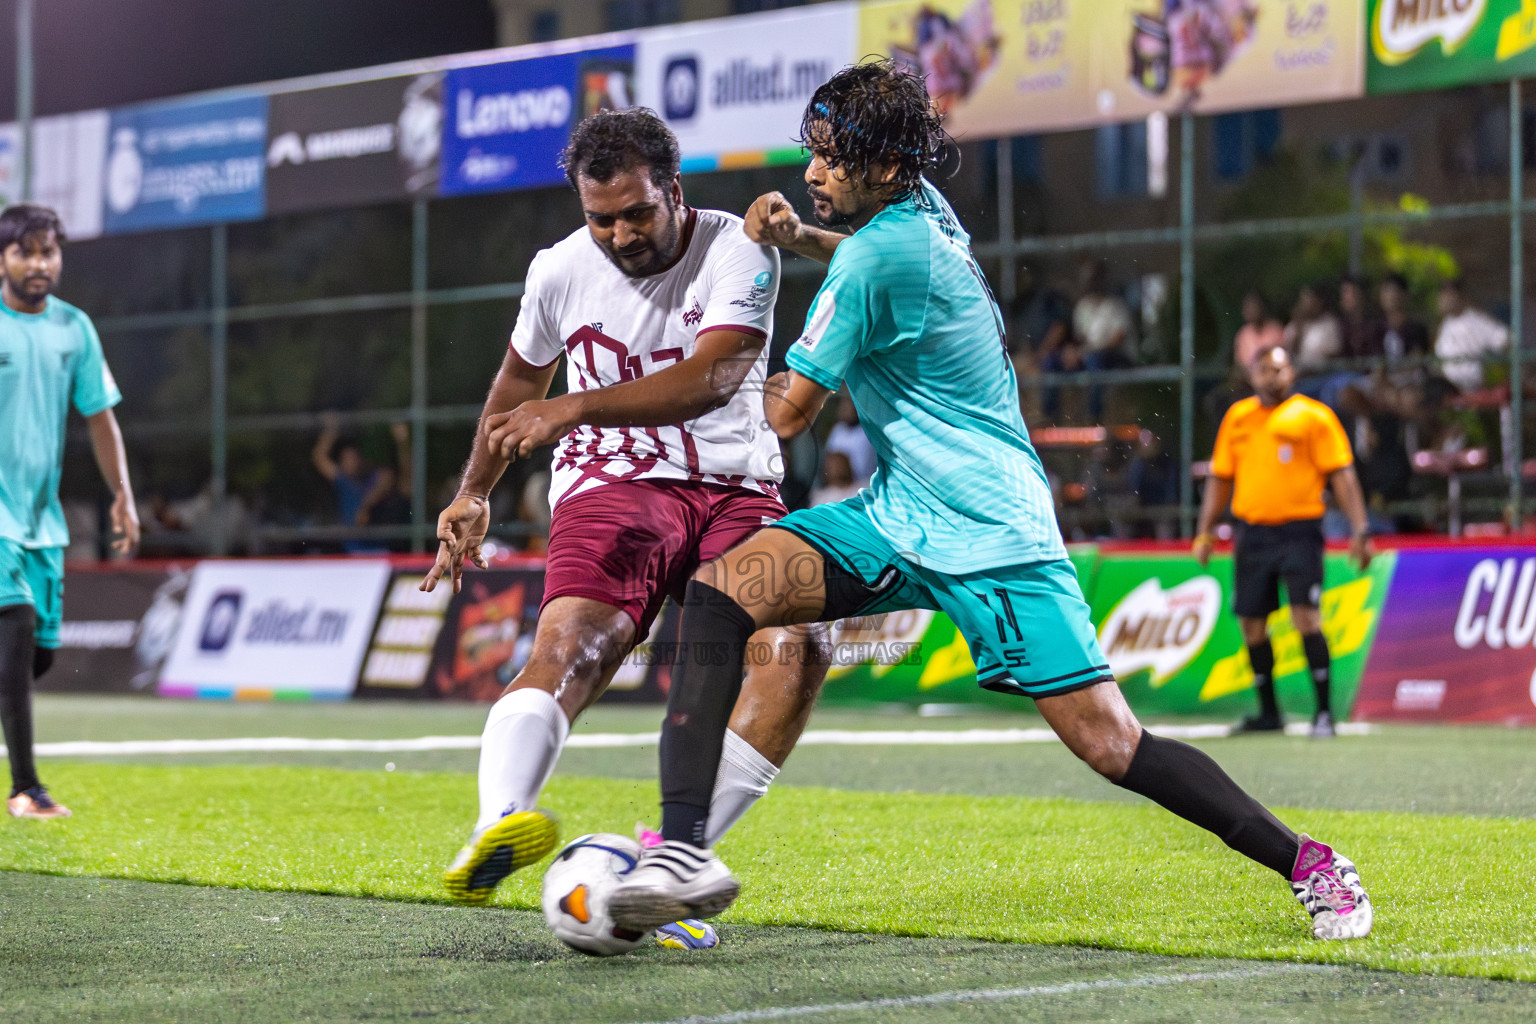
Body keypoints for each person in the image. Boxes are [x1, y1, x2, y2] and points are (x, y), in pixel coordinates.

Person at [608, 61, 1373, 944]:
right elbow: (863, 259)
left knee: (1110, 744)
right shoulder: (925, 212)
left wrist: (676, 395)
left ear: (886, 167)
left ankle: (1310, 863)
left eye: (828, 158)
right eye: (810, 153)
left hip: (991, 530)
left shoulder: (868, 261)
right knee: (727, 588)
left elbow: (784, 413)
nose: (811, 174)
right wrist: (805, 240)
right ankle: (682, 849)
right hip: (900, 512)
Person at [418, 109, 828, 949]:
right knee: (577, 641)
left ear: (672, 192)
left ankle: (670, 871)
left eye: (636, 212)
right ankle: (499, 822)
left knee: (796, 647)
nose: (618, 233)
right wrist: (474, 492)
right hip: (613, 485)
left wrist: (568, 406)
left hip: (733, 488)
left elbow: (714, 378)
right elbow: (514, 384)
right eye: (599, 216)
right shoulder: (559, 270)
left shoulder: (737, 247)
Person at [0, 204, 140, 818]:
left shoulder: (74, 328)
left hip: (41, 520)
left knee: (36, 657)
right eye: (24, 251)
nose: (38, 263)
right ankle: (27, 787)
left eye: (48, 252)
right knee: (17, 623)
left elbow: (100, 418)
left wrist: (123, 494)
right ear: (1, 257)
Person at [1194, 345, 1372, 738]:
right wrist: (1205, 530)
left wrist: (1361, 529)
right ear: (1251, 375)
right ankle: (1269, 713)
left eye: (1277, 369)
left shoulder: (1314, 417)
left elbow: (1342, 475)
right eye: (1262, 370)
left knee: (1306, 617)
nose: (1269, 377)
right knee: (1252, 626)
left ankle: (1324, 713)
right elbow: (1221, 478)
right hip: (1252, 533)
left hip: (1299, 531)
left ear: (1291, 372)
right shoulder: (1238, 418)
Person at [1434, 279, 1509, 393]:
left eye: (1450, 294)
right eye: (1443, 295)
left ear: (1460, 296)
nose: (1446, 300)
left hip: (1475, 388)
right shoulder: (1444, 324)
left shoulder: (1476, 320)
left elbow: (1505, 339)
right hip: (1450, 389)